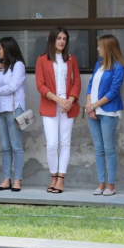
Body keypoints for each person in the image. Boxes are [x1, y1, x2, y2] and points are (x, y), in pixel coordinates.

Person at [35, 27, 81, 194]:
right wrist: (59, 100)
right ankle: (53, 175)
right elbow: (40, 85)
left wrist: (69, 101)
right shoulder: (42, 59)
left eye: (65, 38)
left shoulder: (71, 59)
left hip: (67, 107)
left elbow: (77, 83)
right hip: (50, 105)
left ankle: (60, 178)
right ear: (52, 40)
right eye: (59, 38)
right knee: (52, 144)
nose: (62, 41)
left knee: (65, 142)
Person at [86, 34, 124, 196]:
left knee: (109, 149)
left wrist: (94, 106)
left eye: (100, 46)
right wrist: (89, 105)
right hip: (93, 111)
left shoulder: (118, 67)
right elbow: (90, 85)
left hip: (109, 112)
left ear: (108, 48)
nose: (97, 49)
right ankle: (100, 184)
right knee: (98, 148)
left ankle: (111, 185)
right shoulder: (98, 64)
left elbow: (113, 92)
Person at [0, 37, 26, 192]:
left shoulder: (18, 66)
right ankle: (6, 179)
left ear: (7, 49)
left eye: (0, 48)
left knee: (16, 146)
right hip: (0, 110)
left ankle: (17, 180)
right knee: (5, 147)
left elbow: (12, 87)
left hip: (15, 109)